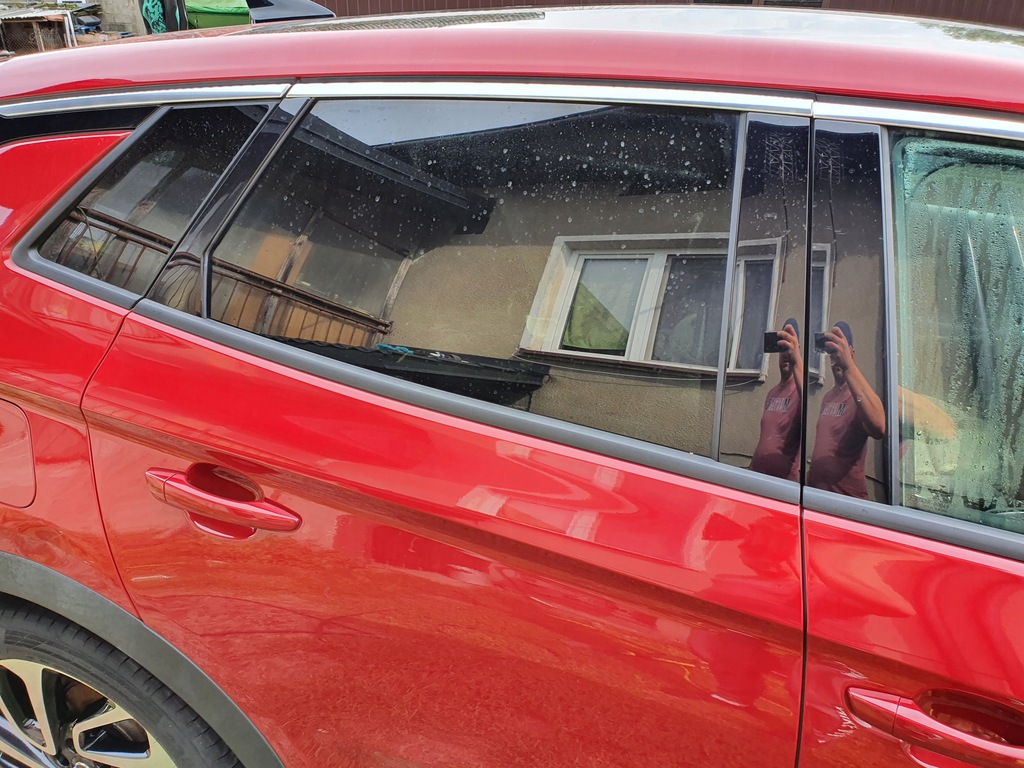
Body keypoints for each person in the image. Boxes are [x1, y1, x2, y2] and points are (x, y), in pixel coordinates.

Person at [807, 321, 886, 499]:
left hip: (846, 501)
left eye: (840, 350)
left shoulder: (859, 395)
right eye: (832, 352)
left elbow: (879, 427)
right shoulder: (828, 397)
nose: (836, 358)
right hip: (817, 498)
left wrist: (848, 366)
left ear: (852, 354)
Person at [751, 319, 803, 481]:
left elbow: (809, 408)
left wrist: (797, 361)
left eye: (789, 348)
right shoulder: (772, 393)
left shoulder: (800, 391)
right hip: (759, 479)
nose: (785, 354)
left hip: (783, 484)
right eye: (782, 348)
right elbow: (765, 438)